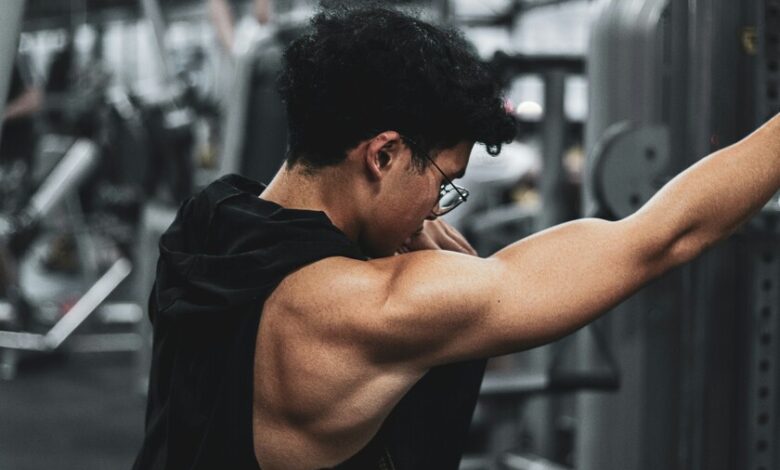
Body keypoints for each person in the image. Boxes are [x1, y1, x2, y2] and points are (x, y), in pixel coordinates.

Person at [133, 5, 780, 470]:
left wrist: (401, 217)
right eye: (444, 182)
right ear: (383, 154)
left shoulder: (209, 224)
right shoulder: (366, 310)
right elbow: (663, 237)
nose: (438, 209)